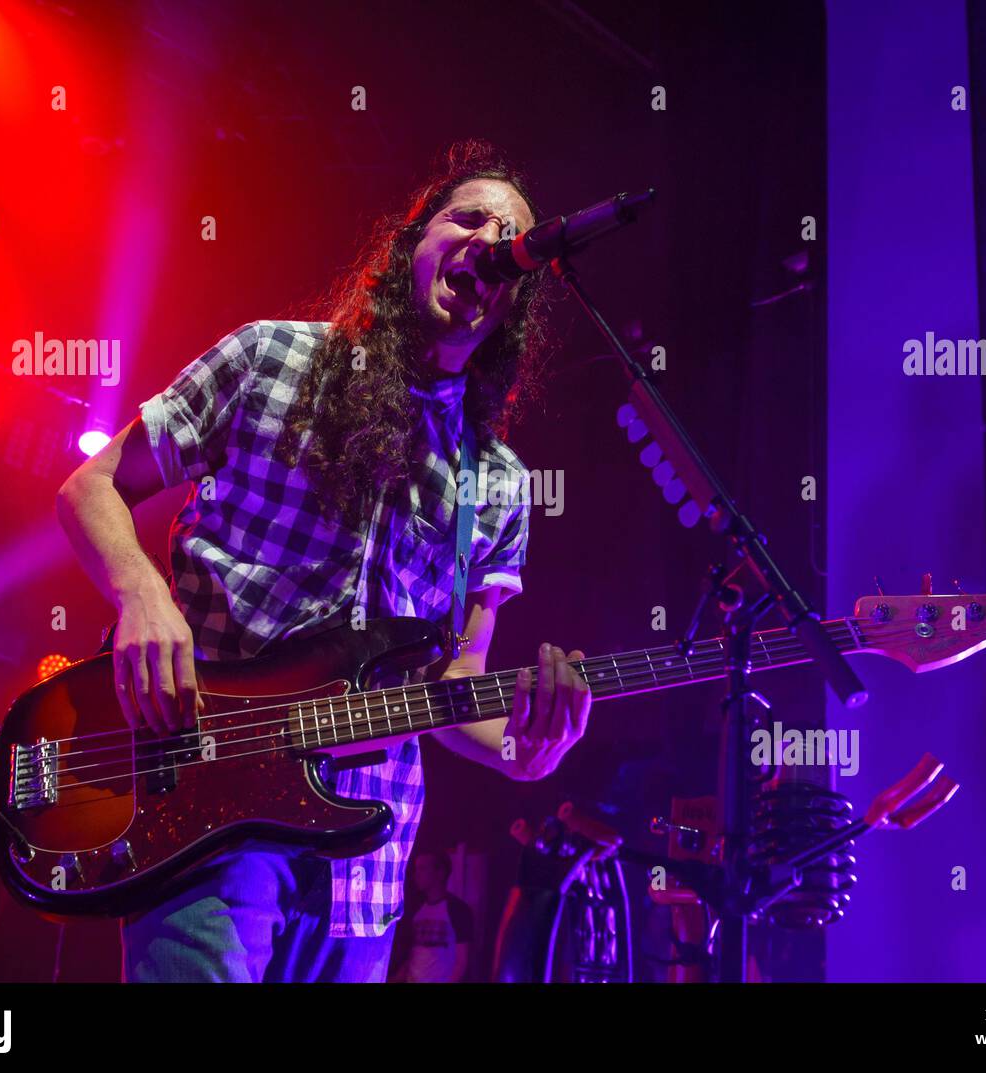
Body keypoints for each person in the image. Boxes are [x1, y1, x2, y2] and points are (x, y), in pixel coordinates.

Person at [56, 140, 593, 983]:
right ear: (410, 243)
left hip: (363, 871)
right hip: (209, 811)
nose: (490, 237)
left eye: (512, 234)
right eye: (468, 217)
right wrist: (140, 596)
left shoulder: (497, 482)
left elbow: (456, 690)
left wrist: (527, 748)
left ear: (515, 302)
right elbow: (91, 488)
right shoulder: (271, 359)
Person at [392, 849, 475, 983]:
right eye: (416, 869)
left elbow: (462, 960)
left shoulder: (457, 909)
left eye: (423, 869)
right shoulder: (415, 909)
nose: (416, 874)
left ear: (440, 873)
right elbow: (414, 953)